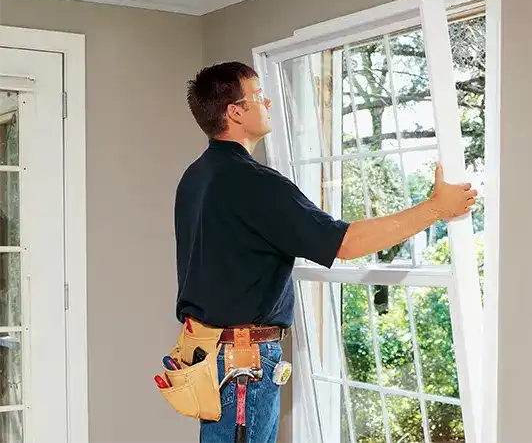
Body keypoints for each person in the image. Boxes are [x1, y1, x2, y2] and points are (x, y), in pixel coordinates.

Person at [174, 61, 477, 442]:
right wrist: (435, 208)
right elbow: (346, 243)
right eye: (257, 95)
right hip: (241, 365)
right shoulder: (254, 183)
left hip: (210, 354)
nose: (266, 100)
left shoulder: (196, 176)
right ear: (235, 112)